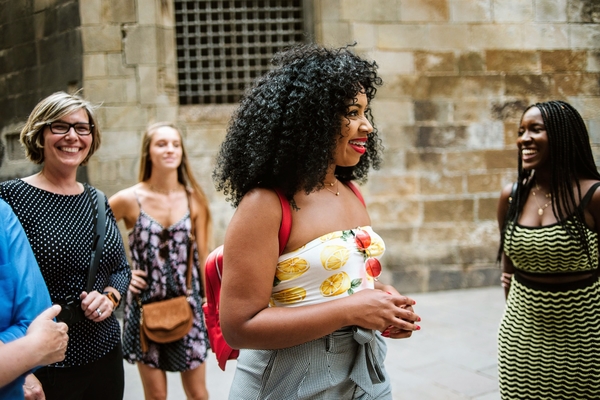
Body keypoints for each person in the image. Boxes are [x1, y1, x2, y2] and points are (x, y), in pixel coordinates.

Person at [212, 44, 421, 399]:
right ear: (312, 119)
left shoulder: (350, 191)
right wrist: (352, 309)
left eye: (366, 112)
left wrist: (384, 300)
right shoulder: (266, 204)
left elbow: (346, 276)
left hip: (364, 369)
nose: (367, 126)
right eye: (352, 113)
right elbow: (239, 327)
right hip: (288, 376)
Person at [0, 91, 131, 400]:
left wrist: (110, 298)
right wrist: (22, 365)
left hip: (105, 353)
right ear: (40, 134)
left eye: (82, 128)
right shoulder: (11, 199)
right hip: (46, 366)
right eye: (60, 126)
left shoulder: (97, 200)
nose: (72, 136)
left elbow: (121, 268)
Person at [496, 100, 600, 398]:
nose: (524, 138)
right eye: (521, 131)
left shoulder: (593, 195)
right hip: (522, 338)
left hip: (585, 338)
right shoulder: (512, 196)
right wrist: (517, 319)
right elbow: (508, 271)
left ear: (562, 135)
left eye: (535, 130)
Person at [109, 122, 211, 400]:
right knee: (155, 396)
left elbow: (204, 259)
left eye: (175, 144)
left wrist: (212, 305)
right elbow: (94, 243)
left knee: (199, 394)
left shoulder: (194, 201)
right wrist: (121, 275)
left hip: (188, 305)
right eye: (162, 144)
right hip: (144, 307)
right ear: (148, 152)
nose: (170, 150)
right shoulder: (129, 199)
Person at [0, 198, 68, 399]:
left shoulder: (2, 213)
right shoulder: (15, 193)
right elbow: (40, 338)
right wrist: (29, 351)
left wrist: (112, 295)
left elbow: (38, 319)